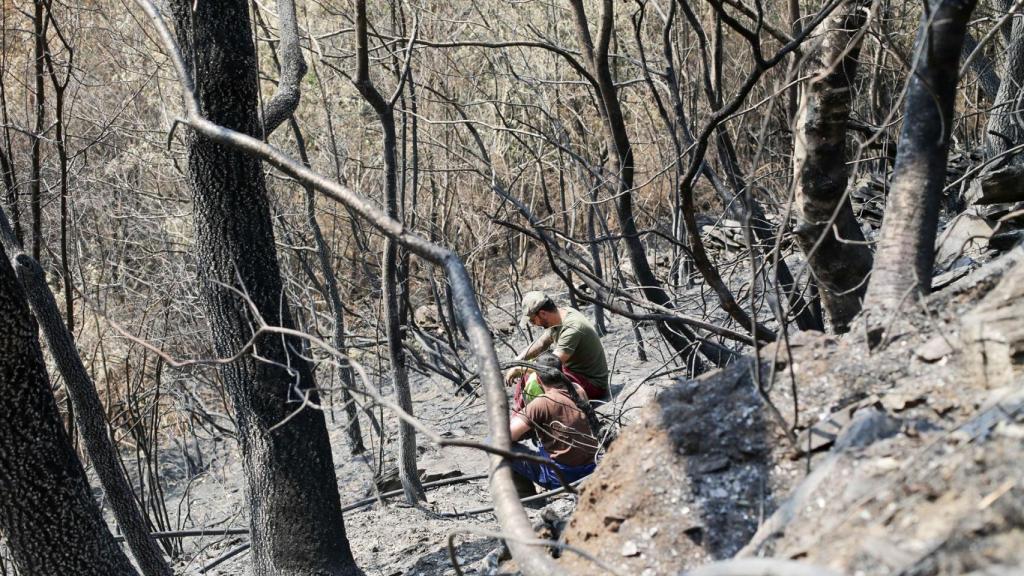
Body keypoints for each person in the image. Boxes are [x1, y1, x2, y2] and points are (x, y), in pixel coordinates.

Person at [505, 291, 610, 411]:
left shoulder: (572, 328)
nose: (533, 325)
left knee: (536, 379)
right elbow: (541, 343)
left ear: (543, 313)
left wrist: (520, 368)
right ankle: (520, 414)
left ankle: (530, 418)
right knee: (527, 375)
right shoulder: (558, 316)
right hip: (573, 372)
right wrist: (518, 361)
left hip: (592, 384)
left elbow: (551, 368)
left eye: (533, 321)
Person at [507, 354, 598, 490]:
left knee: (493, 443)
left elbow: (505, 436)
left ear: (538, 379)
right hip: (592, 467)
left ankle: (527, 497)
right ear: (562, 373)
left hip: (563, 478)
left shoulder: (541, 403)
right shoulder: (578, 390)